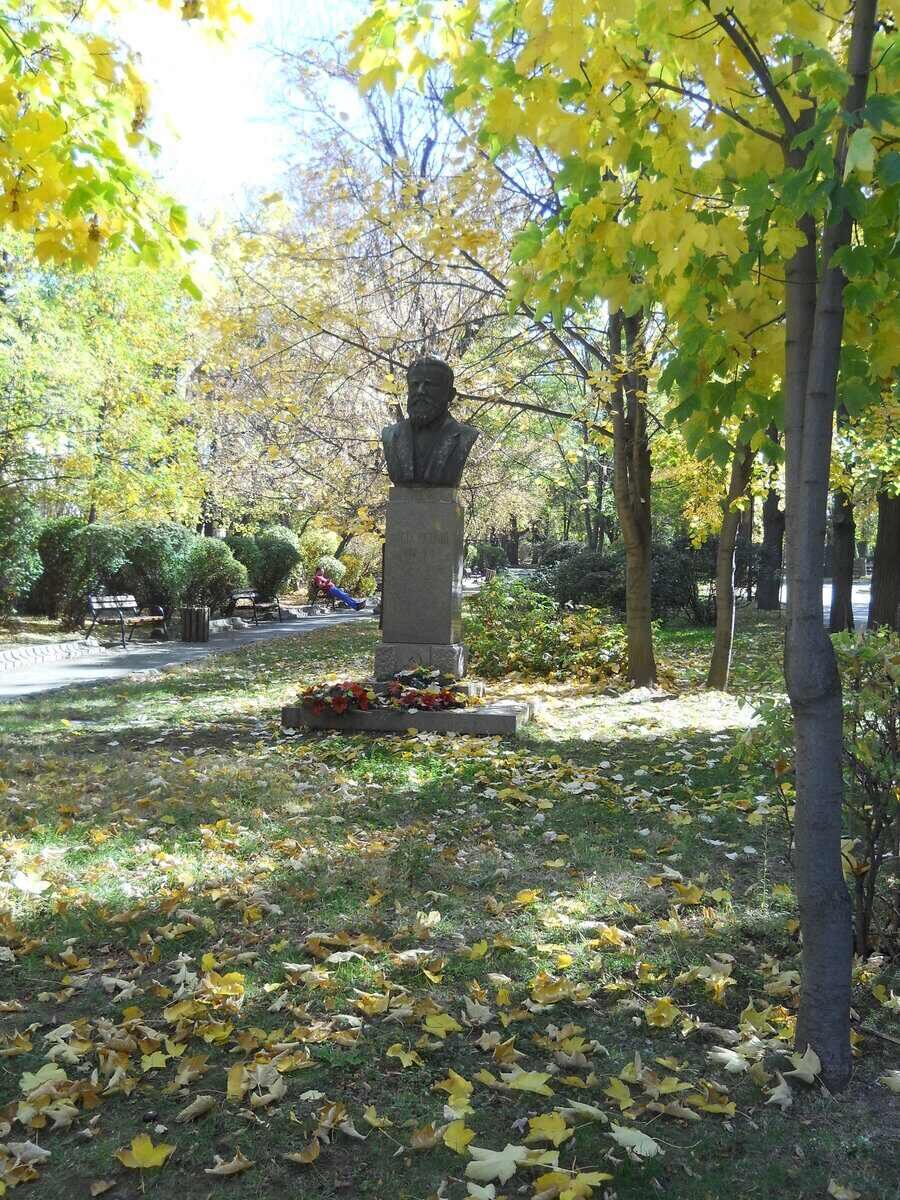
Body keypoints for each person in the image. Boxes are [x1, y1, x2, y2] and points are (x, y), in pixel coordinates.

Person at [381, 356, 479, 487]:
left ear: (450, 394)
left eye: (430, 385)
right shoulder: (391, 435)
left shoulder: (464, 436)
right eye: (415, 385)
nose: (420, 391)